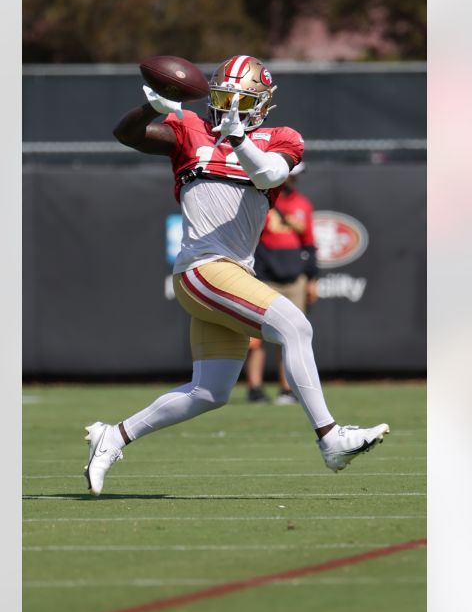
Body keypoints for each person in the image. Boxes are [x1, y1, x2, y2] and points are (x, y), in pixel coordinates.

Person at [83, 55, 389, 495]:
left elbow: (268, 173)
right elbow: (126, 135)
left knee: (210, 392)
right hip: (203, 268)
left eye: (241, 101)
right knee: (296, 327)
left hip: (231, 270)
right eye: (224, 98)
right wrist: (154, 107)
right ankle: (330, 438)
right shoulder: (190, 130)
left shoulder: (281, 137)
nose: (229, 109)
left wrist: (241, 139)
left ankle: (114, 435)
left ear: (264, 104)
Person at [244, 161, 319, 405]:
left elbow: (309, 244)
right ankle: (255, 389)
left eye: (296, 177)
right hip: (264, 279)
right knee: (256, 339)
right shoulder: (262, 201)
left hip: (294, 279)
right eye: (291, 177)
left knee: (290, 335)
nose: (294, 181)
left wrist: (311, 279)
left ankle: (287, 390)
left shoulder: (303, 204)